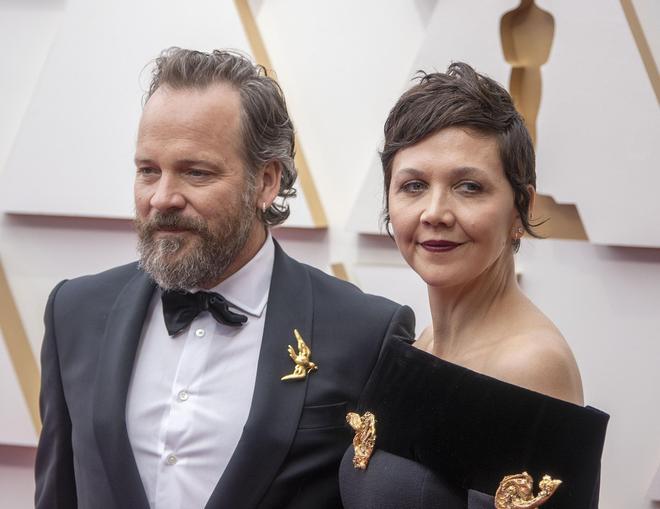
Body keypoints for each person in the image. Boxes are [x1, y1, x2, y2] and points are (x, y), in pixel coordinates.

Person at [34, 48, 414, 509]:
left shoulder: (365, 334)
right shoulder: (74, 312)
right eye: (148, 171)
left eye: (196, 172)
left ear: (266, 182)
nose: (162, 197)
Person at [339, 63, 609, 508]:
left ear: (521, 209)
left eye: (469, 186)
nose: (435, 212)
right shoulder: (420, 344)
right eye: (413, 185)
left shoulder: (531, 366)